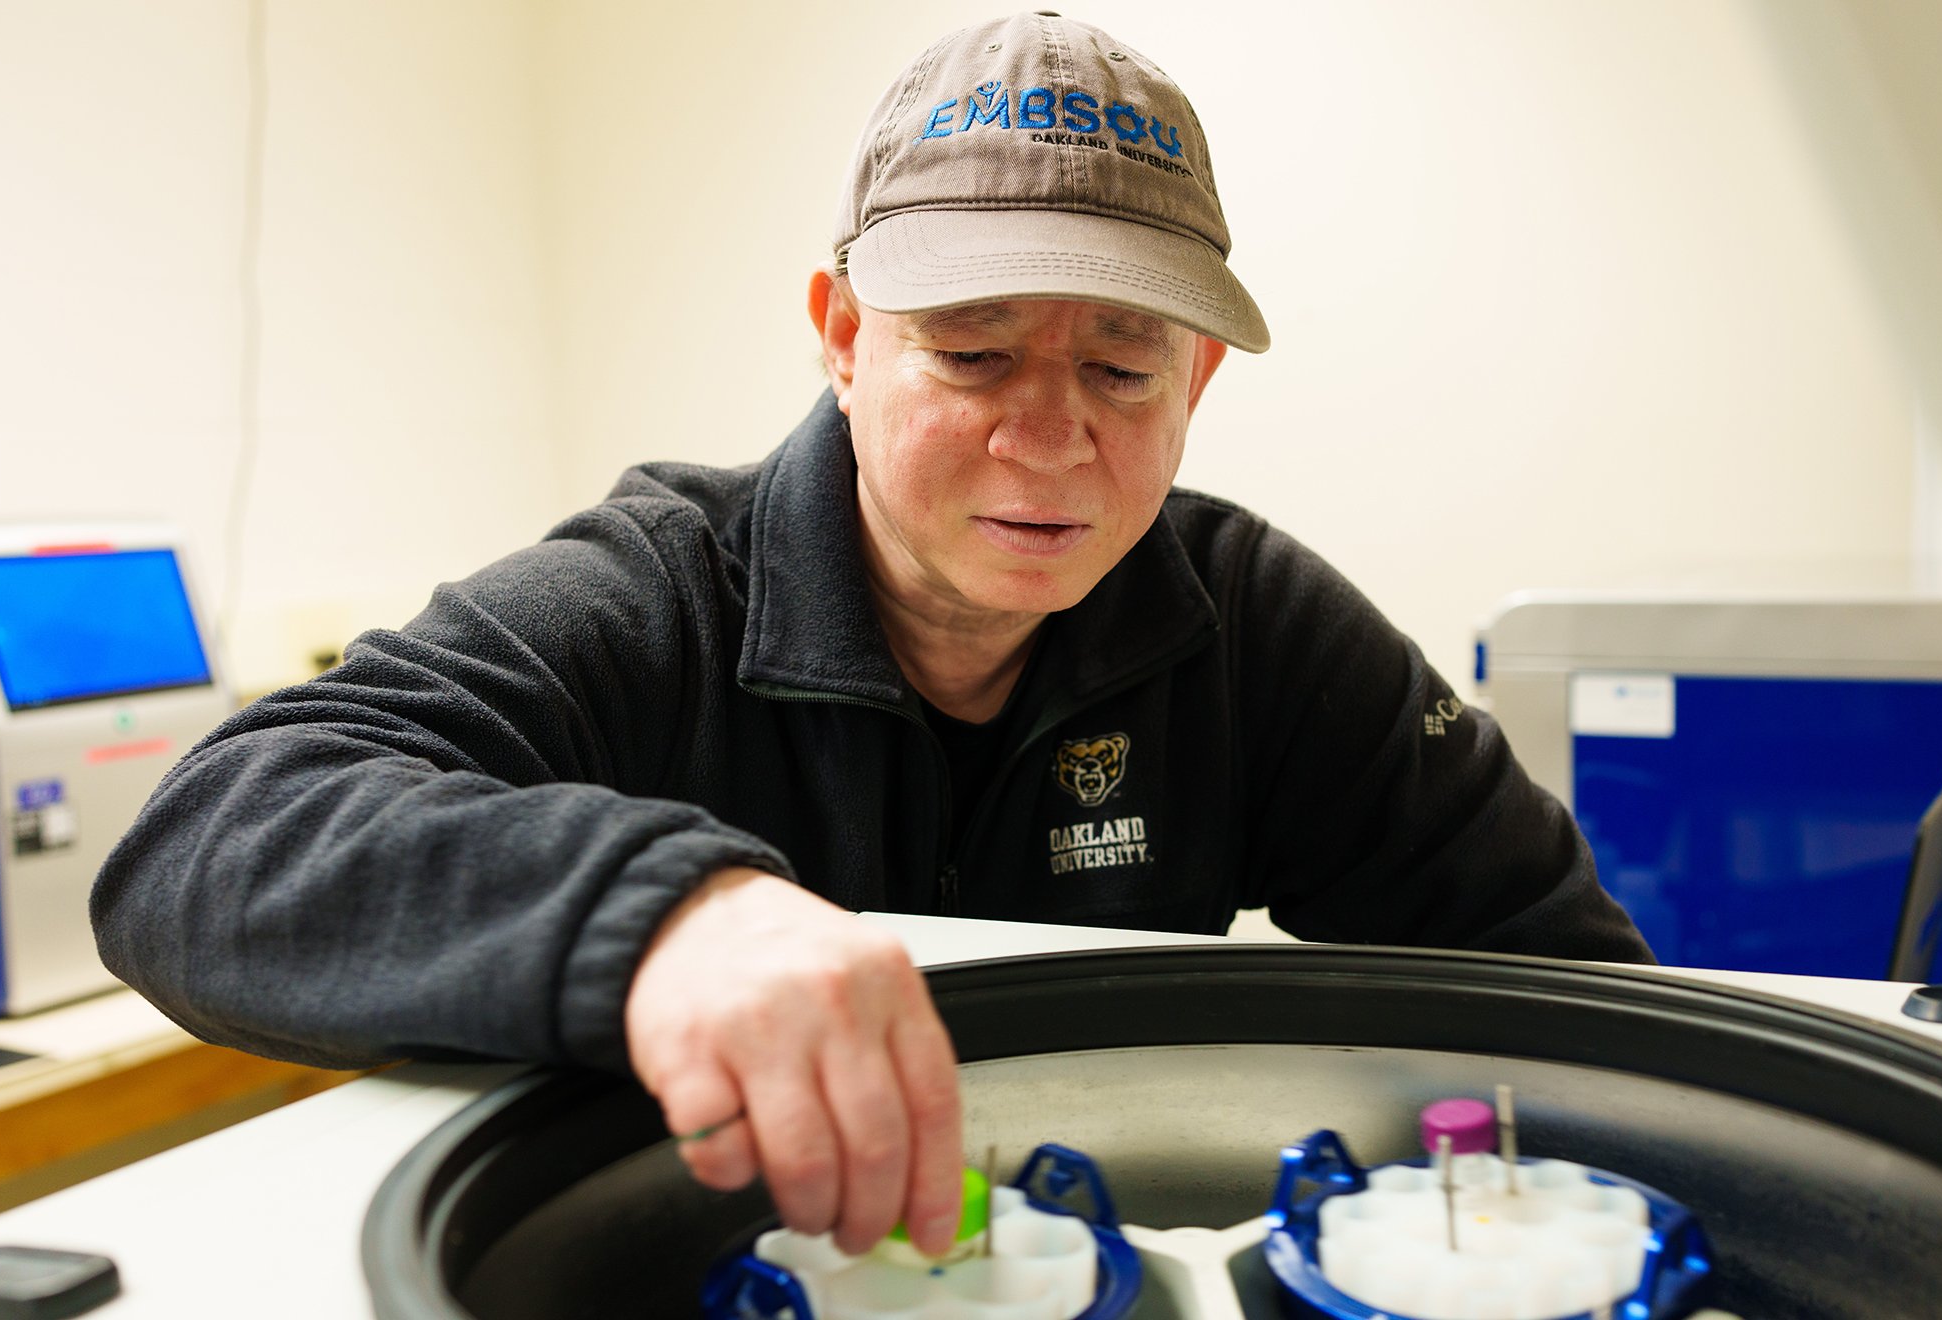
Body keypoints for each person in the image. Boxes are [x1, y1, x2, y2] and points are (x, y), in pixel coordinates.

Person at [94, 12, 1649, 1264]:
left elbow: (1584, 1000)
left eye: (1122, 371)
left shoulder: (1255, 630)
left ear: (1198, 384)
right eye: (973, 355)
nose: (1049, 441)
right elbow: (208, 843)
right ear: (843, 338)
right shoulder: (650, 601)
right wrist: (667, 921)